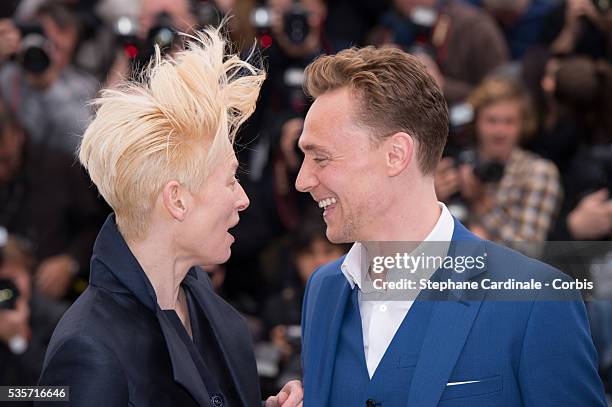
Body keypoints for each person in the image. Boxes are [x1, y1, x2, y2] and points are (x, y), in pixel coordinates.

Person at [295, 46, 606, 405]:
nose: (302, 180)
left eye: (320, 157)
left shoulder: (537, 300)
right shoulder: (324, 290)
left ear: (396, 155)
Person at [37, 26, 302, 406]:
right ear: (176, 200)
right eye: (230, 180)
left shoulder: (204, 301)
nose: (243, 199)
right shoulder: (89, 349)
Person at [435, 77, 562, 242]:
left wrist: (481, 202)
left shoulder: (538, 171)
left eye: (509, 122)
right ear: (476, 122)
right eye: (491, 120)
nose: (499, 131)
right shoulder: (455, 163)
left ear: (523, 125)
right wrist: (433, 197)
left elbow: (529, 250)